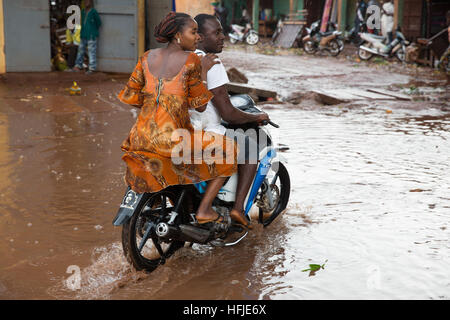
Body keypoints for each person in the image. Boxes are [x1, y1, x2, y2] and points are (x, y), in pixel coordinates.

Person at [117, 12, 239, 228]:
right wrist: (203, 71)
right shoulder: (191, 60)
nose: (198, 37)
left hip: (140, 137)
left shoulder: (146, 57)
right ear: (177, 36)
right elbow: (200, 105)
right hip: (173, 140)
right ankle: (204, 210)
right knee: (230, 150)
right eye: (193, 32)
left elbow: (132, 97)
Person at [192, 14, 270, 229]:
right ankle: (237, 208)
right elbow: (228, 113)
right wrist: (257, 117)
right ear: (198, 37)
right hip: (204, 131)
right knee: (250, 149)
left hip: (178, 129)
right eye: (216, 32)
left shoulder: (181, 57)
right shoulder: (211, 63)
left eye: (221, 31)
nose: (222, 36)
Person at [72, 0, 101, 74]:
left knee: (91, 52)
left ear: (91, 2)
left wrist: (93, 30)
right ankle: (78, 65)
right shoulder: (82, 12)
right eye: (85, 1)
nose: (86, 2)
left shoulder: (93, 12)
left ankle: (92, 68)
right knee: (81, 50)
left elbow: (99, 23)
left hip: (91, 35)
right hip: (84, 34)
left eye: (87, 1)